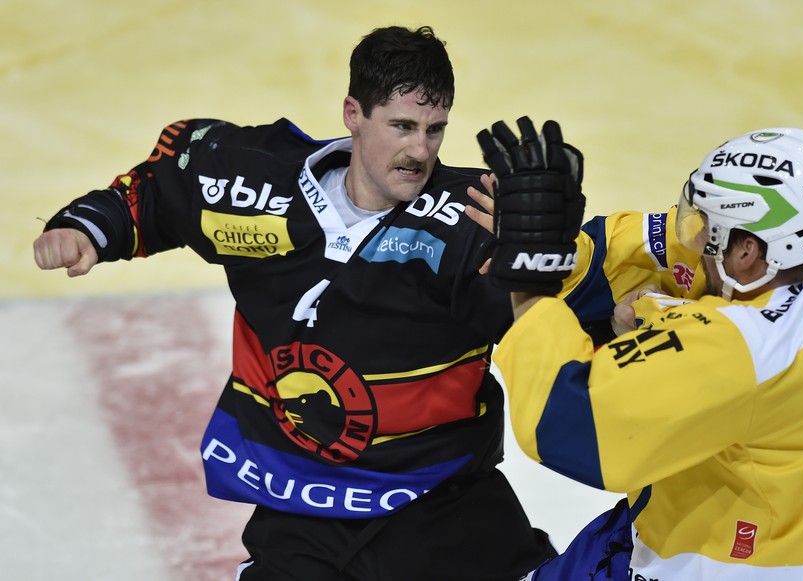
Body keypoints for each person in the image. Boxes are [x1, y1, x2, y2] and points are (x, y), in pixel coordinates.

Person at [32, 26, 557, 581]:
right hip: (302, 505)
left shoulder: (477, 220)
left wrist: (540, 263)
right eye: (402, 126)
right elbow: (162, 191)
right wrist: (88, 228)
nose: (420, 151)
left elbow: (554, 325)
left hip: (439, 501)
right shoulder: (255, 188)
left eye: (435, 129)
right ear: (354, 114)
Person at [472, 117, 803, 579]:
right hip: (800, 527)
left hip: (721, 564)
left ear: (747, 252)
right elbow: (647, 250)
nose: (695, 235)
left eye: (708, 225)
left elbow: (566, 421)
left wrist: (531, 277)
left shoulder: (742, 348)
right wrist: (570, 252)